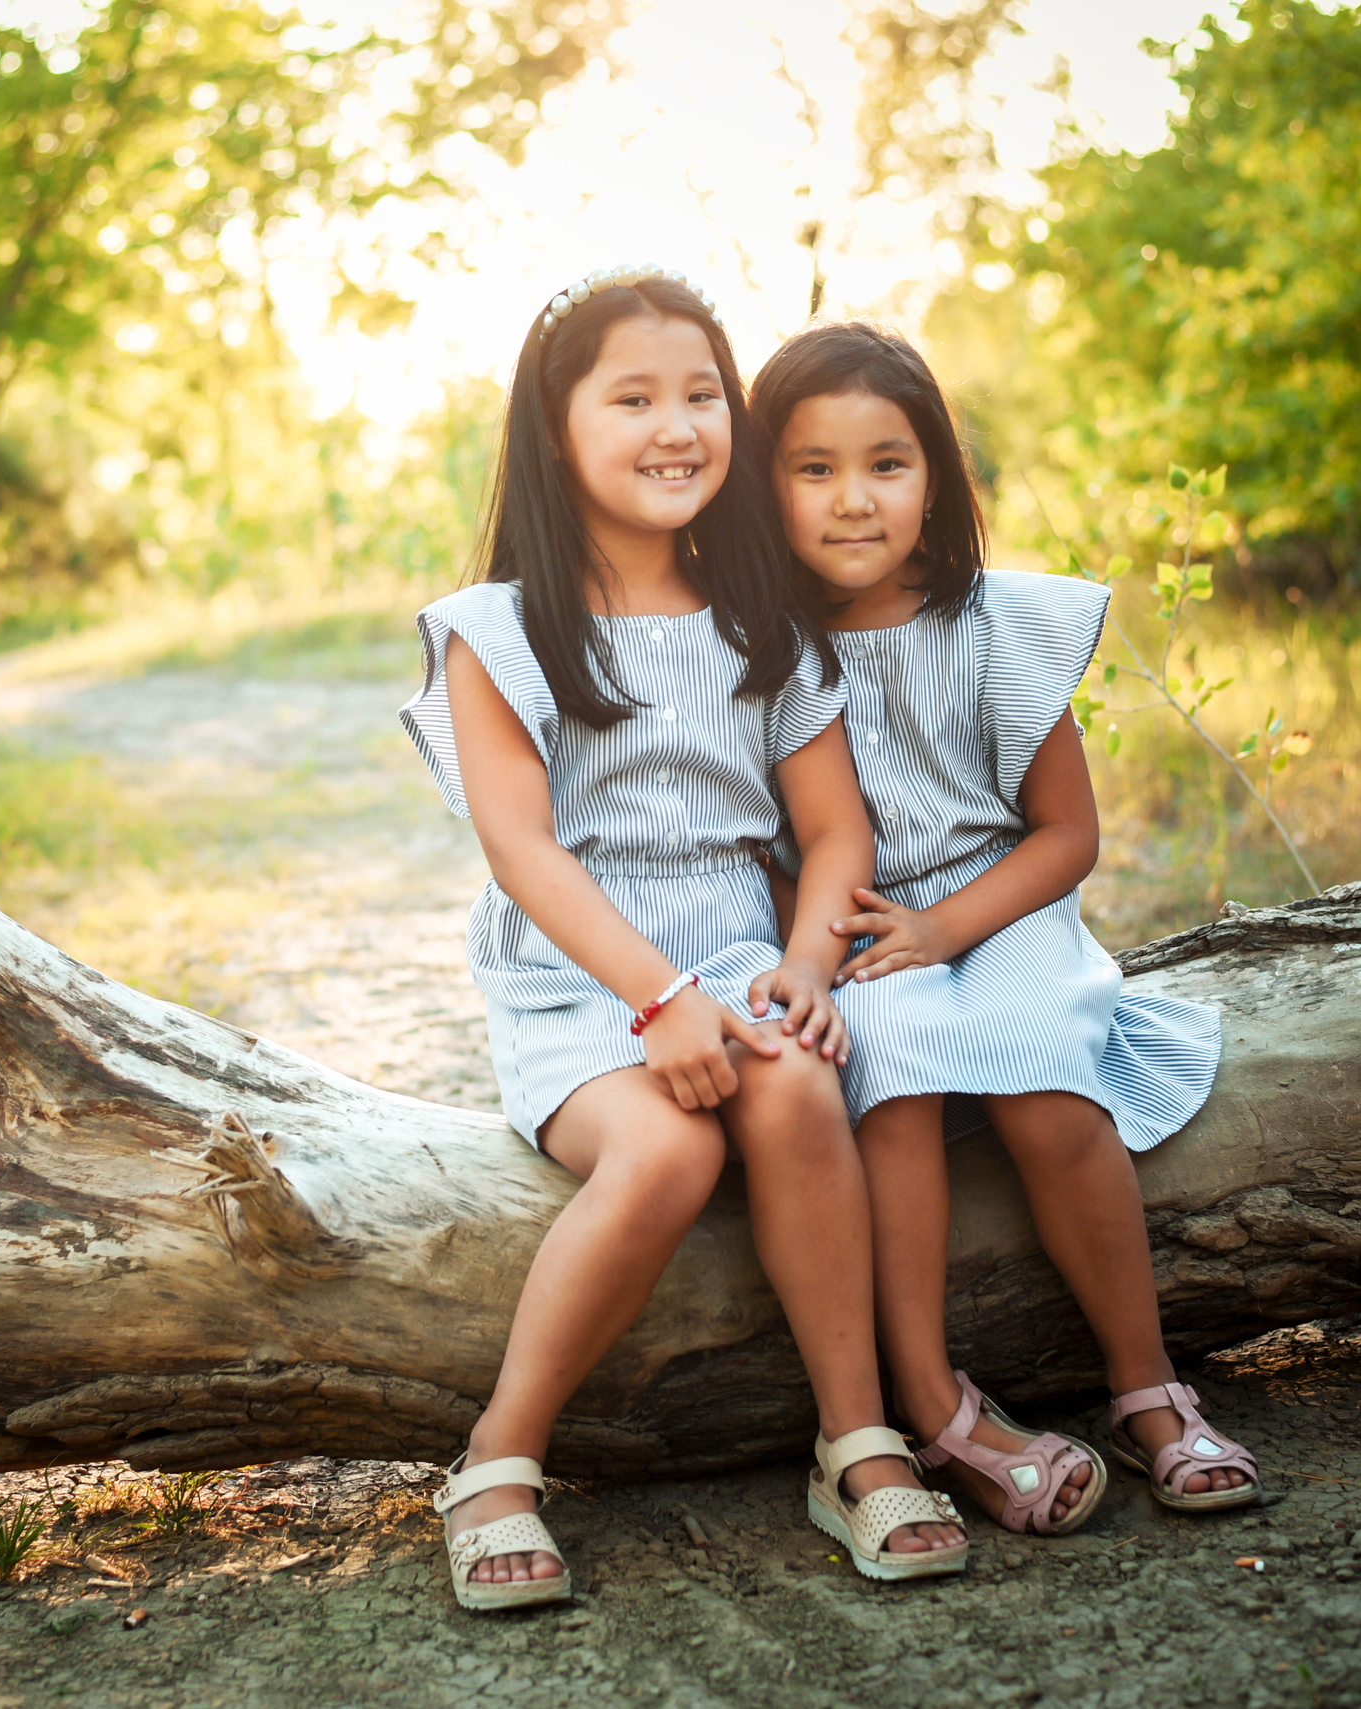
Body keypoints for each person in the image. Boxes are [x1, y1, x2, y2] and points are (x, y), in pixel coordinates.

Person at [398, 270, 964, 1611]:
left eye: (704, 395)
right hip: (581, 981)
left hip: (738, 959)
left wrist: (806, 968)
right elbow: (523, 852)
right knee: (666, 1146)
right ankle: (497, 1458)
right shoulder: (501, 632)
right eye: (634, 396)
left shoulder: (765, 622)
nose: (678, 426)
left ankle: (857, 1438)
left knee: (800, 1087)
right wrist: (658, 1000)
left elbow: (833, 838)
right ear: (556, 427)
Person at [747, 321, 1254, 1534]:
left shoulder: (996, 626)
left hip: (1004, 902)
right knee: (897, 1076)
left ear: (936, 479)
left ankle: (1148, 1389)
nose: (853, 499)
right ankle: (937, 1406)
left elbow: (1065, 835)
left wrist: (948, 923)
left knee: (1041, 1076)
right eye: (812, 468)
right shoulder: (762, 649)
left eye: (887, 463)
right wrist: (878, 939)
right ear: (762, 484)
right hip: (861, 925)